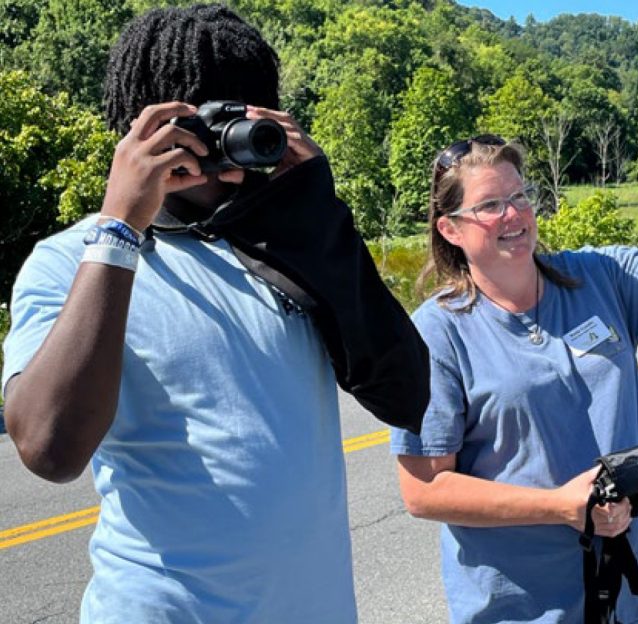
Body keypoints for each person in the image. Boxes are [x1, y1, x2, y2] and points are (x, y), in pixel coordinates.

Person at [1, 5, 428, 623]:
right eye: (204, 119)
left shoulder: (291, 244)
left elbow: (411, 396)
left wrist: (319, 221)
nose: (223, 140)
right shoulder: (76, 260)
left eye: (246, 115)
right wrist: (121, 227)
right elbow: (50, 448)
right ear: (139, 128)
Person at [390, 135, 638, 624]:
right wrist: (559, 506)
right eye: (490, 205)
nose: (513, 215)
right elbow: (424, 490)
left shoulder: (600, 275)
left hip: (633, 592)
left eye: (519, 197)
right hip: (526, 607)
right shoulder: (436, 333)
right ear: (450, 228)